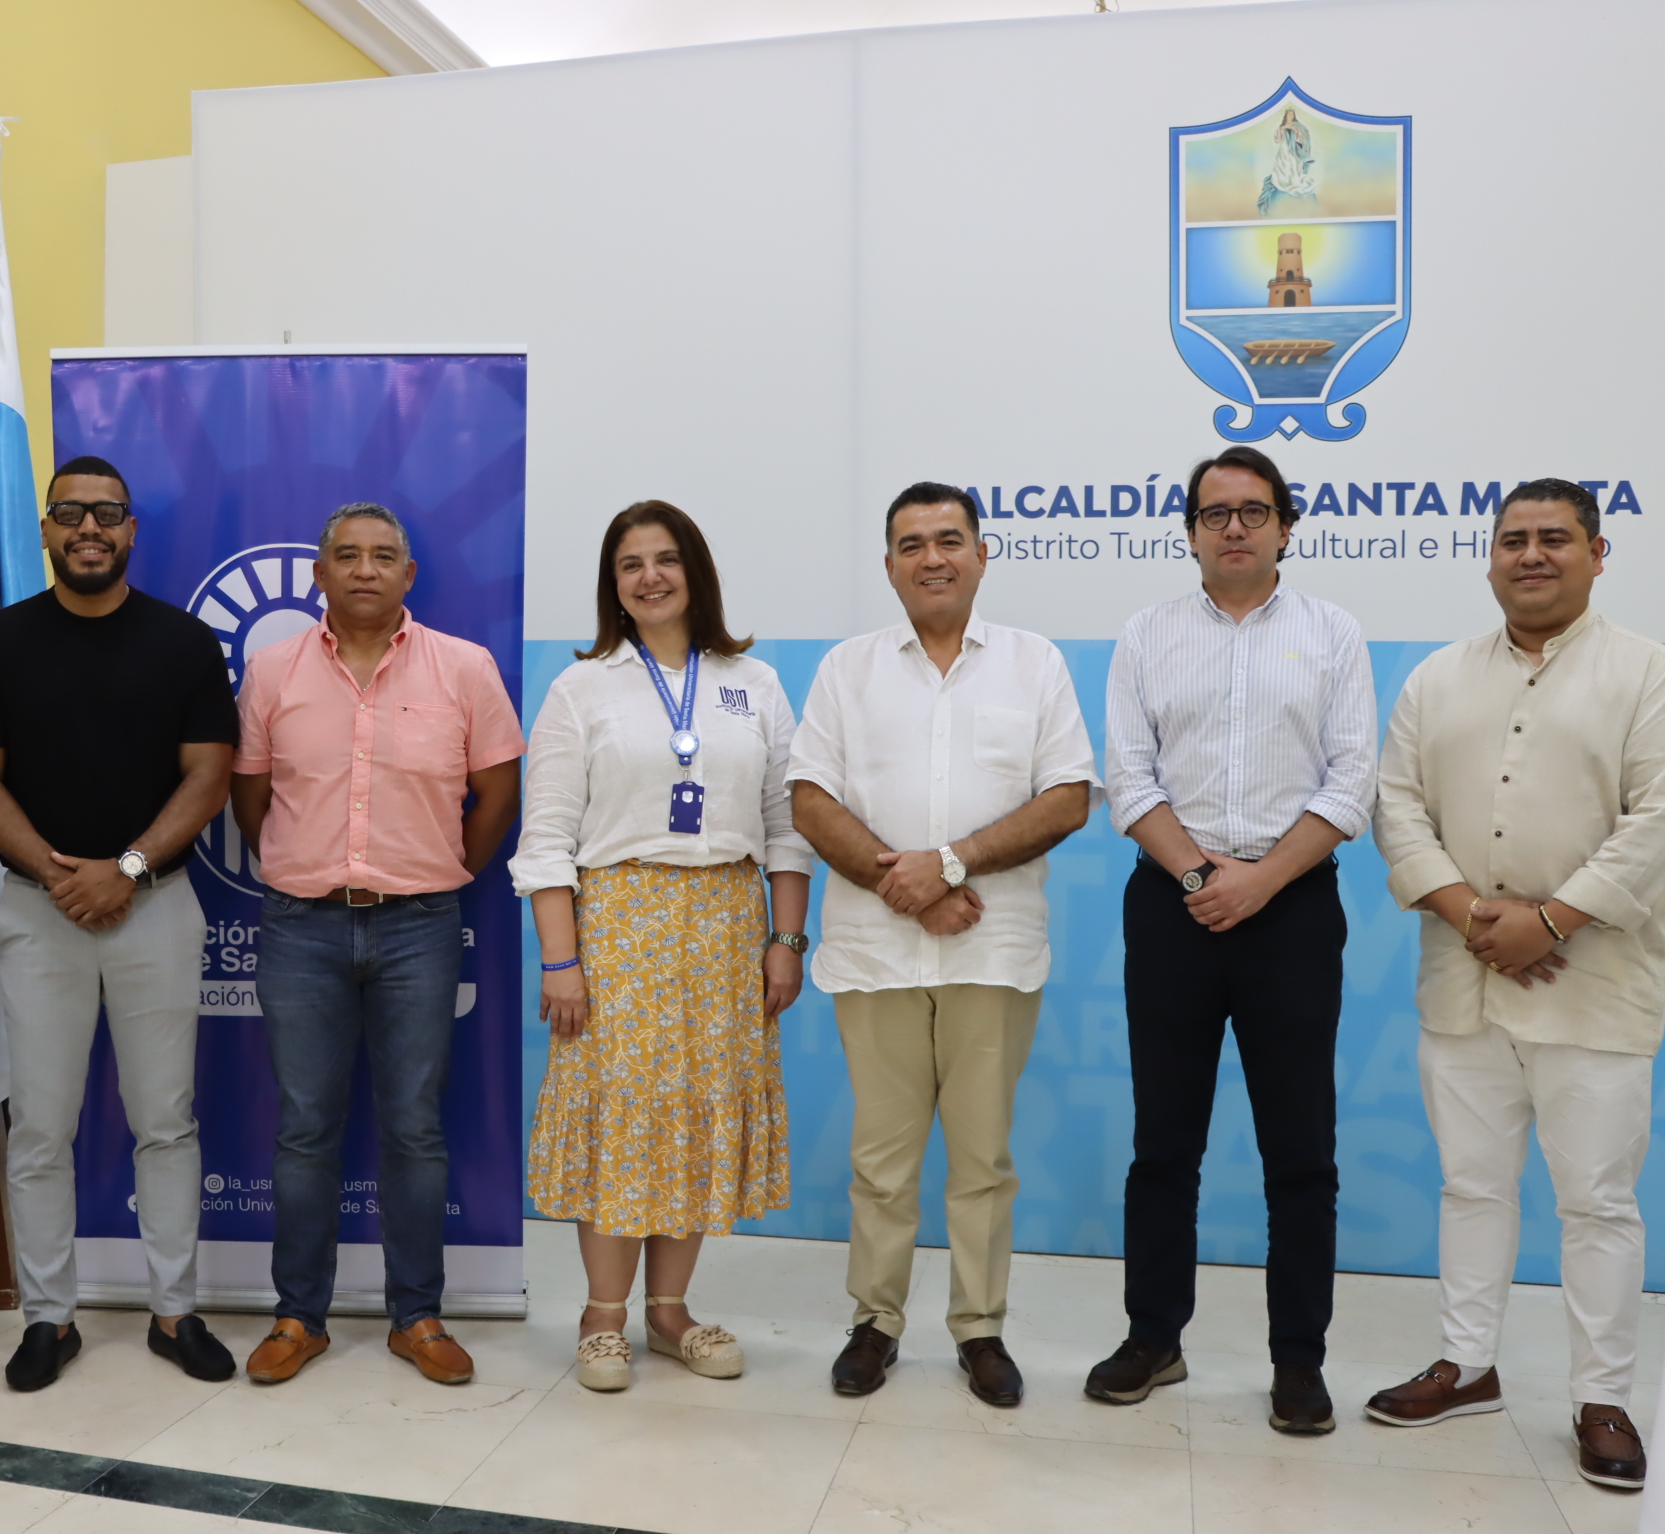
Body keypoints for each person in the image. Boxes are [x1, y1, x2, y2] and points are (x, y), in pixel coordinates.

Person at [1365, 480, 1665, 1491]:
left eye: (1555, 538)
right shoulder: (1437, 678)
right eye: (1513, 539)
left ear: (1599, 554)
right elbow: (1396, 808)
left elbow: (1663, 818)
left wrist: (1551, 919)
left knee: (1596, 1202)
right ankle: (1467, 1364)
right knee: (1470, 1185)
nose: (1532, 554)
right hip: (1461, 982)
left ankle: (1602, 1395)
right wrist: (1475, 914)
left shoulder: (1651, 675)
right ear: (1489, 558)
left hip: (1593, 990)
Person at [789, 483, 1095, 1402]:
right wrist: (913, 890)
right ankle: (875, 1321)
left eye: (949, 540)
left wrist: (952, 865)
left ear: (982, 553)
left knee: (982, 1160)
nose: (932, 558)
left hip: (993, 953)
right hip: (876, 955)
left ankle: (980, 1329)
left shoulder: (1033, 665)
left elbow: (1068, 797)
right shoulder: (848, 669)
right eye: (912, 544)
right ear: (888, 566)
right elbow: (809, 799)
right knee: (880, 1161)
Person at [1092, 444, 1376, 1434]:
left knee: (1300, 1151)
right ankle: (1153, 1337)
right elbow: (1130, 781)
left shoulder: (1334, 635)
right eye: (1216, 514)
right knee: (1163, 1142)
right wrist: (1206, 877)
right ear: (1191, 532)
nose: (1236, 528)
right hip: (1173, 904)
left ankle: (1298, 1359)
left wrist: (1258, 881)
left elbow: (1350, 785)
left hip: (1291, 907)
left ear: (1286, 526)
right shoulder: (1146, 635)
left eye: (1254, 511)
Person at [0, 455, 240, 1392]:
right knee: (40, 1125)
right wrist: (57, 872)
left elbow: (209, 775)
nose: (88, 528)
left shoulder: (184, 644)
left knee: (165, 1120)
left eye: (106, 513)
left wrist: (125, 869)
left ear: (130, 530)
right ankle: (49, 1320)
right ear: (45, 529)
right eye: (69, 512)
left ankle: (173, 1311)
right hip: (40, 911)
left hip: (155, 908)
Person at [514, 499, 808, 1393]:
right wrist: (560, 960)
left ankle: (669, 1313)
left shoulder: (751, 682)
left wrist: (784, 938)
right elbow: (548, 838)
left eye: (666, 559)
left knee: (693, 1116)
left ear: (696, 571)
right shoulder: (582, 687)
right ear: (613, 584)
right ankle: (602, 1319)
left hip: (725, 927)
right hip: (618, 925)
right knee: (620, 1119)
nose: (650, 576)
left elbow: (786, 827)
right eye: (630, 563)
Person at [232, 502, 524, 1386]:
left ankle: (417, 1316)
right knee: (307, 1129)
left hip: (420, 928)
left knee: (414, 1127)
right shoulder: (272, 670)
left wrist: (438, 874)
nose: (364, 569)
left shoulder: (465, 669)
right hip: (300, 928)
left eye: (383, 557)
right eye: (346, 556)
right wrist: (301, 865)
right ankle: (298, 1316)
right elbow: (250, 799)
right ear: (318, 574)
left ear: (409, 575)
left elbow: (497, 795)